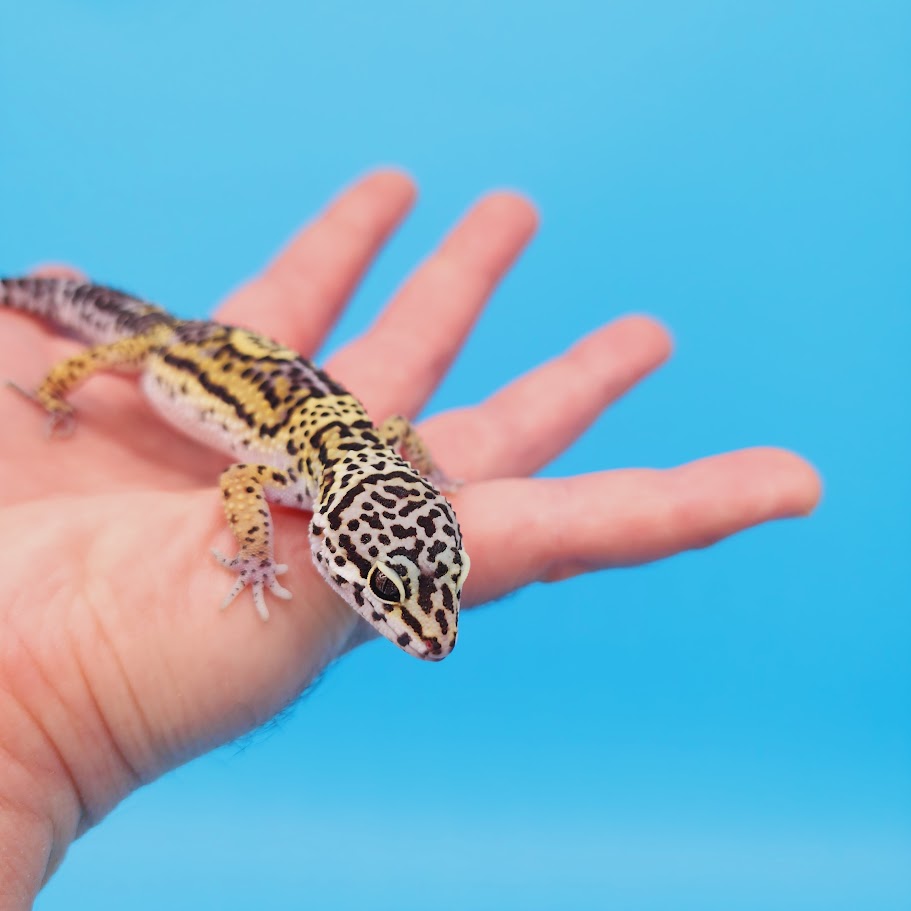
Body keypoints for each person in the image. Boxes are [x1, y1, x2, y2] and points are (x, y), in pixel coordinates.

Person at [0, 170, 820, 907]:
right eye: (390, 597)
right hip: (176, 348)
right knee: (114, 347)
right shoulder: (297, 478)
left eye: (431, 588)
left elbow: (394, 429)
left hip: (269, 387)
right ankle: (57, 383)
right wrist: (250, 550)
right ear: (331, 539)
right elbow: (240, 479)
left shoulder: (357, 467)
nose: (427, 629)